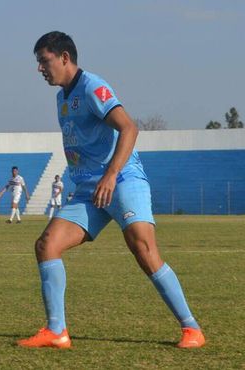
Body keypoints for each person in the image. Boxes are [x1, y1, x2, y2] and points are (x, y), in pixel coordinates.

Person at [18, 31, 204, 349]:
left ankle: (192, 329)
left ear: (64, 58)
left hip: (121, 180)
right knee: (46, 245)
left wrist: (111, 174)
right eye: (38, 62)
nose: (40, 69)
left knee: (143, 249)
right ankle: (57, 331)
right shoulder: (61, 97)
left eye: (44, 61)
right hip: (88, 189)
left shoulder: (93, 87)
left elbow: (129, 127)